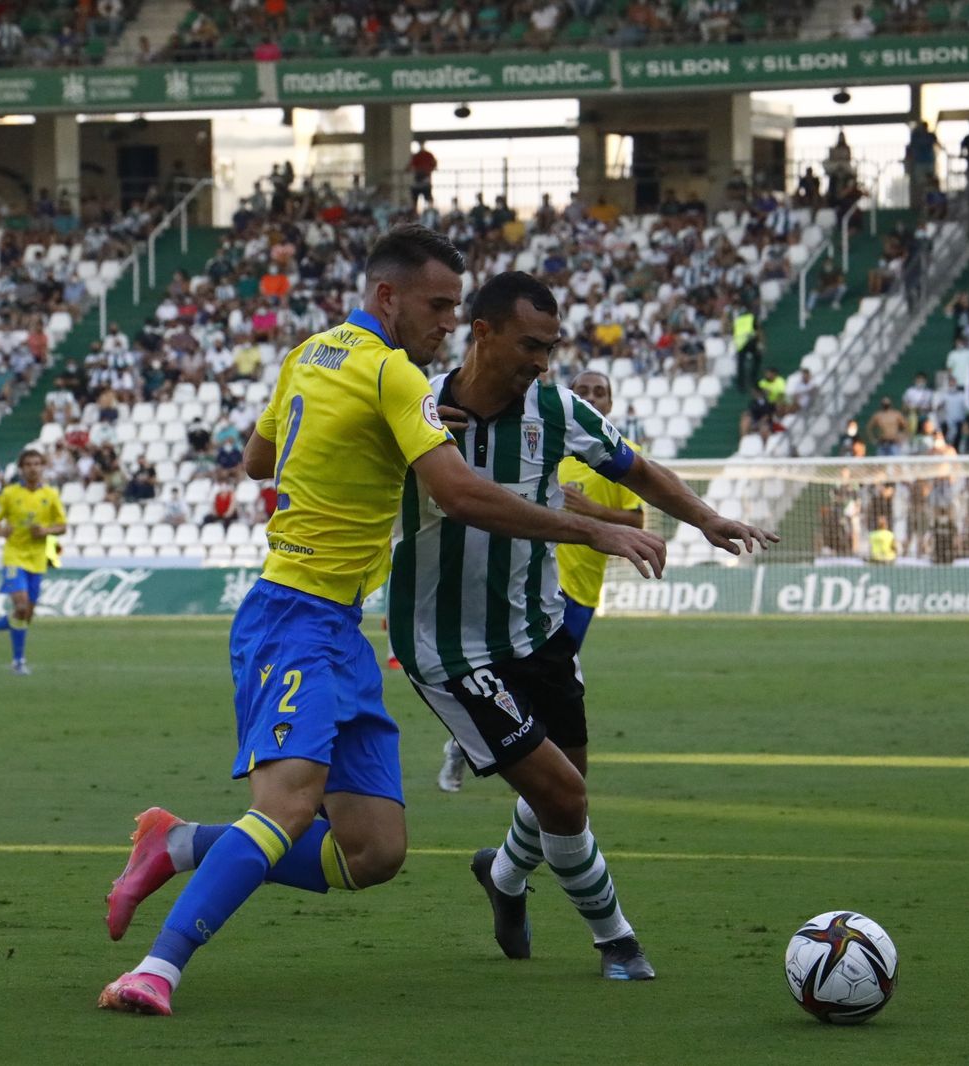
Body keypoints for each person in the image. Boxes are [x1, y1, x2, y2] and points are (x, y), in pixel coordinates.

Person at [94, 227, 666, 1017]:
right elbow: (462, 496)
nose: (446, 322)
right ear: (386, 296)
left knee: (373, 852)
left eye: (455, 307)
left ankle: (181, 842)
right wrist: (595, 528)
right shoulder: (397, 376)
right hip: (292, 614)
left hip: (342, 629)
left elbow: (260, 462)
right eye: (436, 306)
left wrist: (374, 445)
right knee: (289, 805)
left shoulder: (308, 354)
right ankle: (157, 969)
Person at [393, 271, 775, 982]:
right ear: (483, 333)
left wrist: (707, 519)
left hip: (537, 632)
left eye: (551, 347)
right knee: (564, 797)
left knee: (563, 792)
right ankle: (618, 942)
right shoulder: (415, 406)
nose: (542, 361)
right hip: (448, 647)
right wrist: (587, 533)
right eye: (530, 345)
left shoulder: (556, 408)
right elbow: (471, 504)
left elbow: (636, 469)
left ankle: (504, 875)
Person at [437, 369, 646, 793]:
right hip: (540, 583)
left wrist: (592, 511)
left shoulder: (618, 455)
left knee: (539, 691)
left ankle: (473, 748)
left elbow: (637, 519)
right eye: (582, 390)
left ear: (610, 402)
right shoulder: (552, 442)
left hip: (584, 591)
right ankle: (517, 772)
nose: (589, 396)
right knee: (537, 684)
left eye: (599, 391)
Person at [0, 448, 67, 676]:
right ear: (21, 468)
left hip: (38, 559)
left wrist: (46, 530)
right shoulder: (8, 494)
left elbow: (63, 526)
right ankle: (18, 661)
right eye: (28, 464)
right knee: (21, 606)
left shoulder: (51, 495)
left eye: (37, 464)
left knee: (26, 615)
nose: (33, 468)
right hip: (14, 556)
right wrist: (2, 532)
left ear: (43, 466)